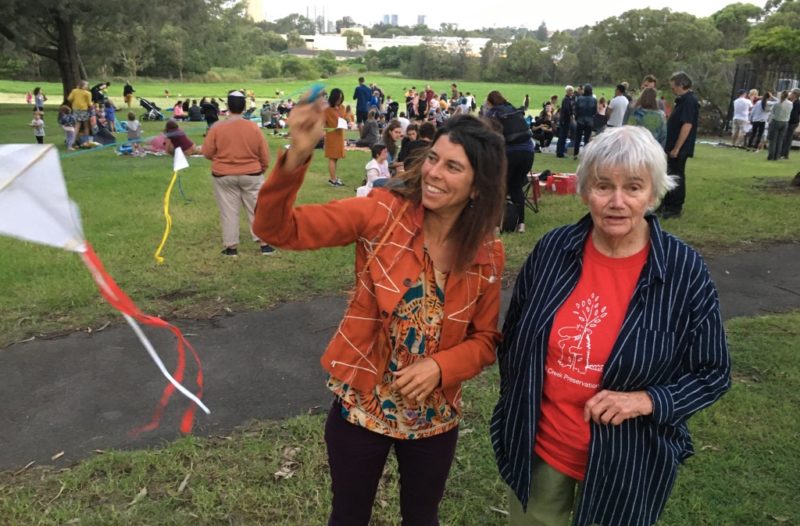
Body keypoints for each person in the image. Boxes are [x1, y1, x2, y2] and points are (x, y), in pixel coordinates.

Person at [252, 97, 506, 525]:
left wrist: (440, 368)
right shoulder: (382, 214)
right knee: (348, 517)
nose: (434, 173)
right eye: (434, 159)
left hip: (434, 417)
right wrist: (297, 156)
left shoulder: (487, 253)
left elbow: (484, 342)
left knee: (422, 519)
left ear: (478, 186)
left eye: (453, 167)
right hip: (362, 407)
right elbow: (276, 229)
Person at [492, 125, 731, 526]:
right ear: (585, 191)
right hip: (543, 447)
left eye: (633, 187)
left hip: (629, 459)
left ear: (653, 193)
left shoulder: (682, 270)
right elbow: (514, 336)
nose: (617, 202)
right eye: (604, 186)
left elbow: (713, 372)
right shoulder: (553, 249)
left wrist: (644, 400)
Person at [203, 91, 274, 256]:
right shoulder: (253, 127)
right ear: (244, 107)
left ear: (227, 106)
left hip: (223, 175)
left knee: (228, 211)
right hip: (252, 174)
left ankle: (231, 248)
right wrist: (261, 168)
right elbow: (264, 154)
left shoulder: (217, 127)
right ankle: (265, 245)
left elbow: (207, 152)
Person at [485, 90, 535, 233]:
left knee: (501, 186)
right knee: (516, 186)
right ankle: (521, 225)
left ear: (490, 102)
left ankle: (496, 225)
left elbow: (490, 137)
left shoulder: (493, 113)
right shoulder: (513, 109)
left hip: (511, 153)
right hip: (528, 152)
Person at [660, 71, 699, 219]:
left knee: (677, 175)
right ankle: (666, 203)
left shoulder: (690, 101)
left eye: (674, 87)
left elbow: (687, 125)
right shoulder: (681, 100)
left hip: (680, 147)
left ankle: (675, 207)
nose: (672, 90)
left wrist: (677, 147)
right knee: (670, 174)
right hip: (672, 145)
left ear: (682, 85)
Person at [324, 88, 347, 187]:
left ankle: (334, 177)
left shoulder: (342, 107)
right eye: (338, 99)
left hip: (340, 134)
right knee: (332, 158)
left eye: (341, 99)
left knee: (336, 157)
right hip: (332, 135)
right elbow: (324, 122)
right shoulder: (326, 109)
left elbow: (344, 118)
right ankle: (332, 180)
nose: (339, 101)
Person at [573, 83, 597, 159]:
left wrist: (577, 118)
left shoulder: (579, 98)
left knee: (578, 138)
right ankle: (585, 154)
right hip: (589, 120)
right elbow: (594, 111)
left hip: (580, 120)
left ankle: (575, 154)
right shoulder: (594, 100)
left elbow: (576, 110)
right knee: (587, 138)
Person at [767, 90, 792, 161]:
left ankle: (771, 155)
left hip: (776, 121)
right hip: (785, 122)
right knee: (780, 140)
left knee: (773, 140)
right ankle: (776, 156)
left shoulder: (777, 104)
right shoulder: (790, 103)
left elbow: (773, 112)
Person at [779, 88, 800, 159]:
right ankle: (783, 153)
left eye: (792, 93)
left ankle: (784, 154)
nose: (790, 94)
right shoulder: (788, 101)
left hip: (793, 122)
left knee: (787, 138)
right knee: (785, 138)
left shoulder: (798, 103)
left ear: (795, 95)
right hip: (786, 120)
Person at [556, 86, 575, 158]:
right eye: (571, 91)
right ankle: (560, 153)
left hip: (565, 120)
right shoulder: (566, 100)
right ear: (567, 91)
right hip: (565, 120)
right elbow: (567, 109)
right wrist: (571, 115)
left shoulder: (568, 99)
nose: (572, 92)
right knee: (563, 136)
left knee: (563, 136)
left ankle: (560, 151)